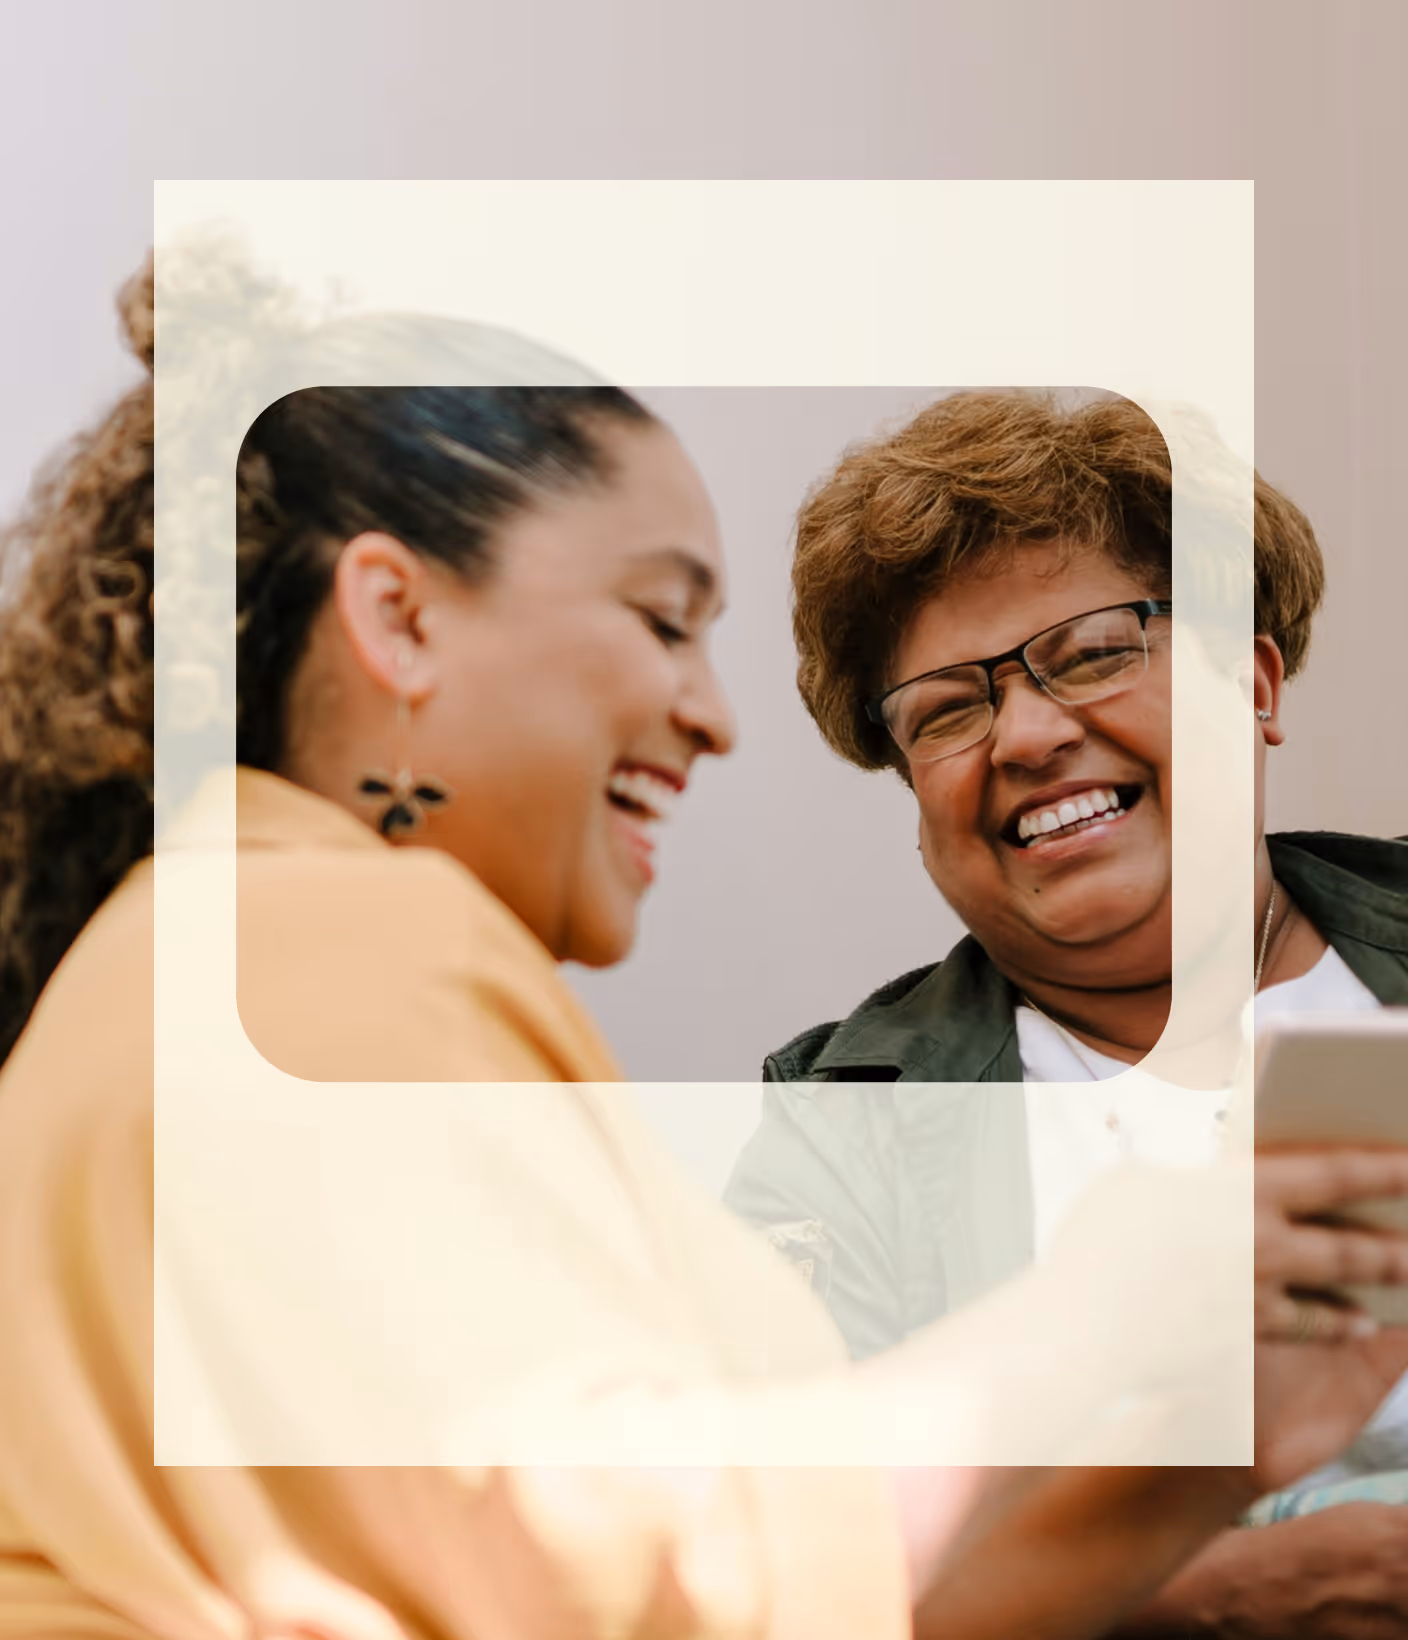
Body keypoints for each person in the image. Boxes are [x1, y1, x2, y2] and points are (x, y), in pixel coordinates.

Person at [2, 258, 1408, 1640]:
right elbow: (632, 1578)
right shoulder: (314, 948)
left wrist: (1211, 1454)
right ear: (398, 617)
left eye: (1094, 650)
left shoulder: (237, 943)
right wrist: (1116, 1302)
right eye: (662, 618)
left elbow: (809, 1590)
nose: (714, 716)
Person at [723, 388, 1408, 1637]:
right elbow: (776, 1579)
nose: (1028, 733)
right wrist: (1216, 1600)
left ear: (1250, 680)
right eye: (947, 707)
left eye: (1093, 650)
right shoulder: (840, 1134)